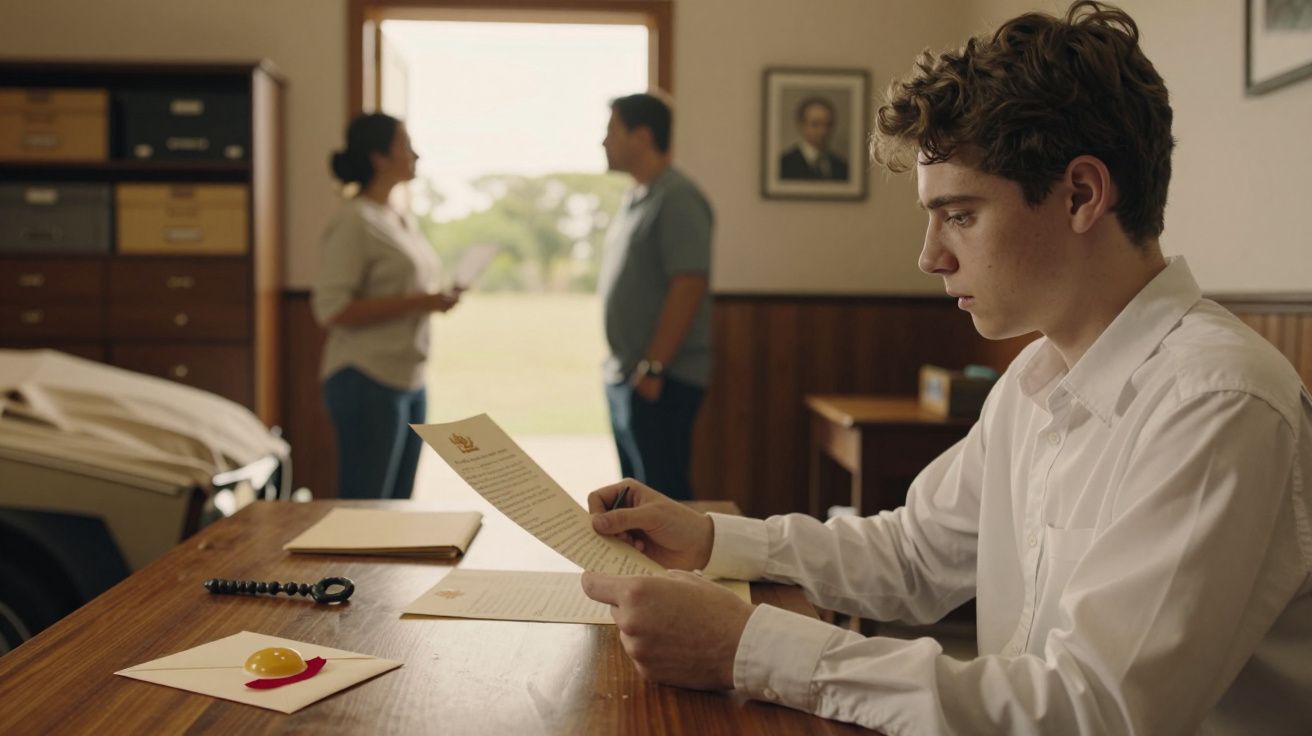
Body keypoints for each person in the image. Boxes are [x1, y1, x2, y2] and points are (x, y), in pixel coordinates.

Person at [579, 3, 1312, 733]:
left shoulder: (1219, 401)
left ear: (1083, 194)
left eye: (960, 214)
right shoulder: (1037, 377)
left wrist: (747, 646)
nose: (930, 257)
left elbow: (1093, 714)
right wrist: (709, 539)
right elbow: (912, 553)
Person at [312, 112, 461, 499]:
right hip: (366, 379)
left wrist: (434, 299)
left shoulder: (397, 217)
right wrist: (419, 302)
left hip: (408, 378)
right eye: (406, 146)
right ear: (379, 157)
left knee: (398, 509)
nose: (416, 155)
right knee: (367, 511)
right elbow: (332, 310)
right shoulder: (354, 220)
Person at [597, 93, 714, 501]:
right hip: (630, 374)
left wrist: (655, 366)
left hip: (661, 378)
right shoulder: (637, 197)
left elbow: (688, 283)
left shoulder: (677, 197)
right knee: (637, 494)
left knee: (663, 498)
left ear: (642, 137)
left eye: (611, 130)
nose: (603, 141)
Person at [778, 97, 849, 181]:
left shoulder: (841, 166)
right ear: (801, 125)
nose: (823, 131)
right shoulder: (784, 164)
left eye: (828, 124)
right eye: (815, 124)